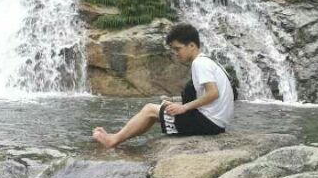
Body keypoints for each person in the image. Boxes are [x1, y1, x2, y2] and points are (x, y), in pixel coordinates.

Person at [93, 23, 234, 149]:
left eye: (178, 49)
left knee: (149, 110)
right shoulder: (209, 61)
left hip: (209, 124)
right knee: (158, 111)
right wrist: (177, 103)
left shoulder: (200, 63)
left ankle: (113, 140)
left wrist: (183, 107)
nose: (176, 54)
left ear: (192, 46)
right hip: (217, 123)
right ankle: (118, 138)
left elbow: (213, 93)